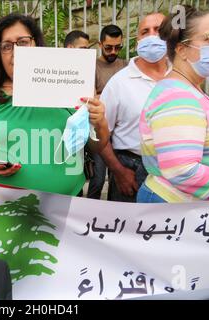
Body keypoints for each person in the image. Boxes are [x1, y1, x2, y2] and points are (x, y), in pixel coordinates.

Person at [0, 13, 109, 196]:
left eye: (22, 42)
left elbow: (95, 147)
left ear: (35, 44)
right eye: (6, 46)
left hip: (69, 208)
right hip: (6, 211)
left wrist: (99, 122)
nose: (15, 52)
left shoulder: (70, 89)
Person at [138, 6, 209, 203]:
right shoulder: (177, 96)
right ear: (181, 50)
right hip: (179, 213)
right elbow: (182, 171)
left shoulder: (191, 89)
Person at [98, 13, 170, 202]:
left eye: (159, 30)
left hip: (175, 172)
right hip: (132, 171)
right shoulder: (119, 83)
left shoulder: (182, 77)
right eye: (145, 32)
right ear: (138, 40)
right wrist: (119, 171)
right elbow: (99, 134)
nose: (152, 36)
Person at [87, 24, 128, 200]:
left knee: (118, 179)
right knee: (97, 179)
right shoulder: (91, 67)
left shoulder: (126, 66)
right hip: (99, 130)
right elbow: (86, 97)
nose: (113, 51)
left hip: (121, 131)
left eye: (118, 47)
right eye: (109, 47)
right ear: (100, 44)